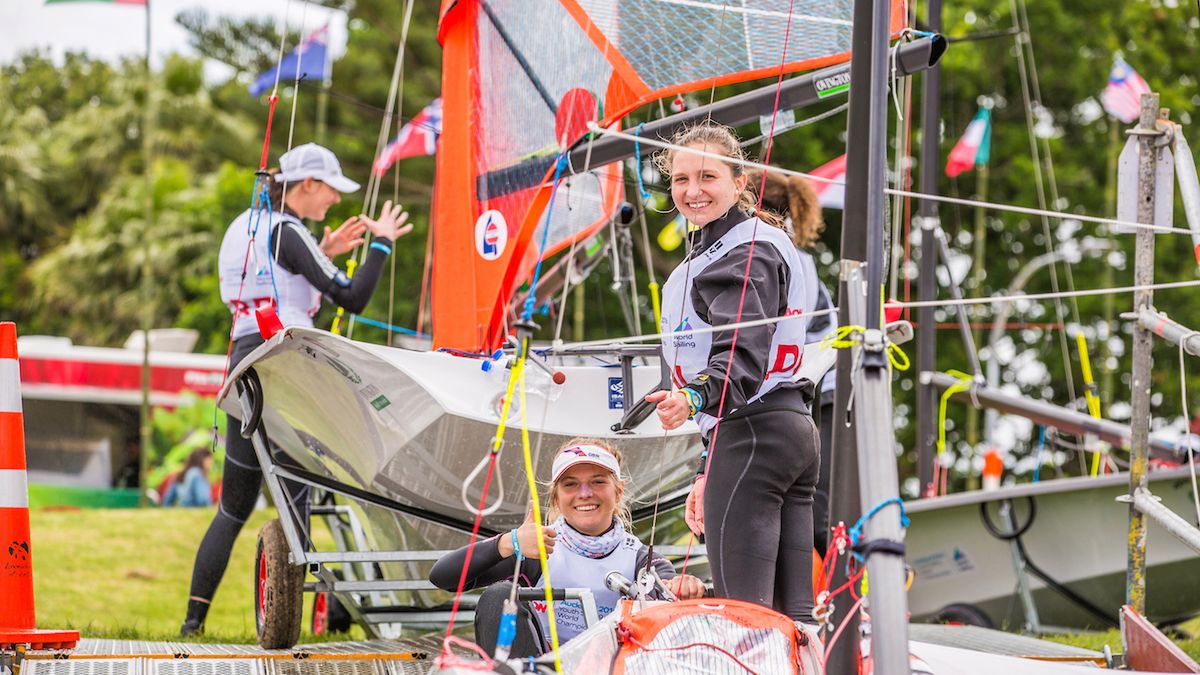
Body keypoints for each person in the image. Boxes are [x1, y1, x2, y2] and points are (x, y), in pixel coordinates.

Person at [180, 143, 412, 636]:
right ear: (306, 184)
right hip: (282, 365)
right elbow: (353, 295)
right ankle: (291, 626)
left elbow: (273, 279)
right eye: (329, 189)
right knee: (298, 496)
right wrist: (383, 243)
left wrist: (322, 253)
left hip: (245, 360)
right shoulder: (288, 229)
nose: (333, 200)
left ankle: (192, 624)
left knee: (233, 508)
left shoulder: (245, 224)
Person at [645, 123, 820, 626]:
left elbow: (741, 354)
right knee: (795, 623)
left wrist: (697, 400)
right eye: (680, 180)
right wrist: (707, 467)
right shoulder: (732, 249)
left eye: (707, 177)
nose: (692, 191)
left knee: (745, 620)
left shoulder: (744, 250)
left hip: (752, 435)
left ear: (740, 182)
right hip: (783, 433)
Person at [428, 439, 705, 657]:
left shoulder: (641, 558)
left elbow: (671, 590)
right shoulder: (537, 549)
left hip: (612, 667)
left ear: (618, 491)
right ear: (557, 498)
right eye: (571, 485)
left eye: (598, 481)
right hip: (544, 665)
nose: (585, 493)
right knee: (499, 596)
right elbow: (442, 577)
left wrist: (682, 587)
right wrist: (508, 542)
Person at [751, 168, 838, 555]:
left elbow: (777, 336)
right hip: (807, 391)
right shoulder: (786, 253)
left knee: (815, 512)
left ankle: (859, 601)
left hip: (824, 393)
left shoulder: (785, 257)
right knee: (795, 506)